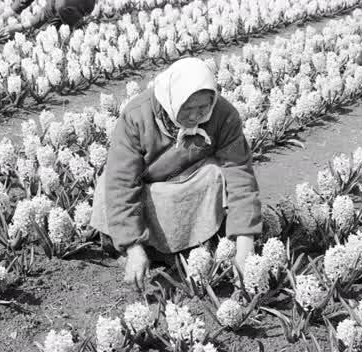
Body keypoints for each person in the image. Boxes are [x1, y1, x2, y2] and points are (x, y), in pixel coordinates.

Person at [90, 57, 263, 284]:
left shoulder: (223, 115)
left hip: (187, 184)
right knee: (107, 183)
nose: (195, 116)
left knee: (215, 174)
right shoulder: (136, 116)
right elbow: (122, 182)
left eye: (203, 107)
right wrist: (132, 247)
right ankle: (137, 247)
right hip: (145, 187)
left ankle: (191, 243)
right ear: (171, 100)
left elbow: (240, 174)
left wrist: (245, 247)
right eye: (187, 108)